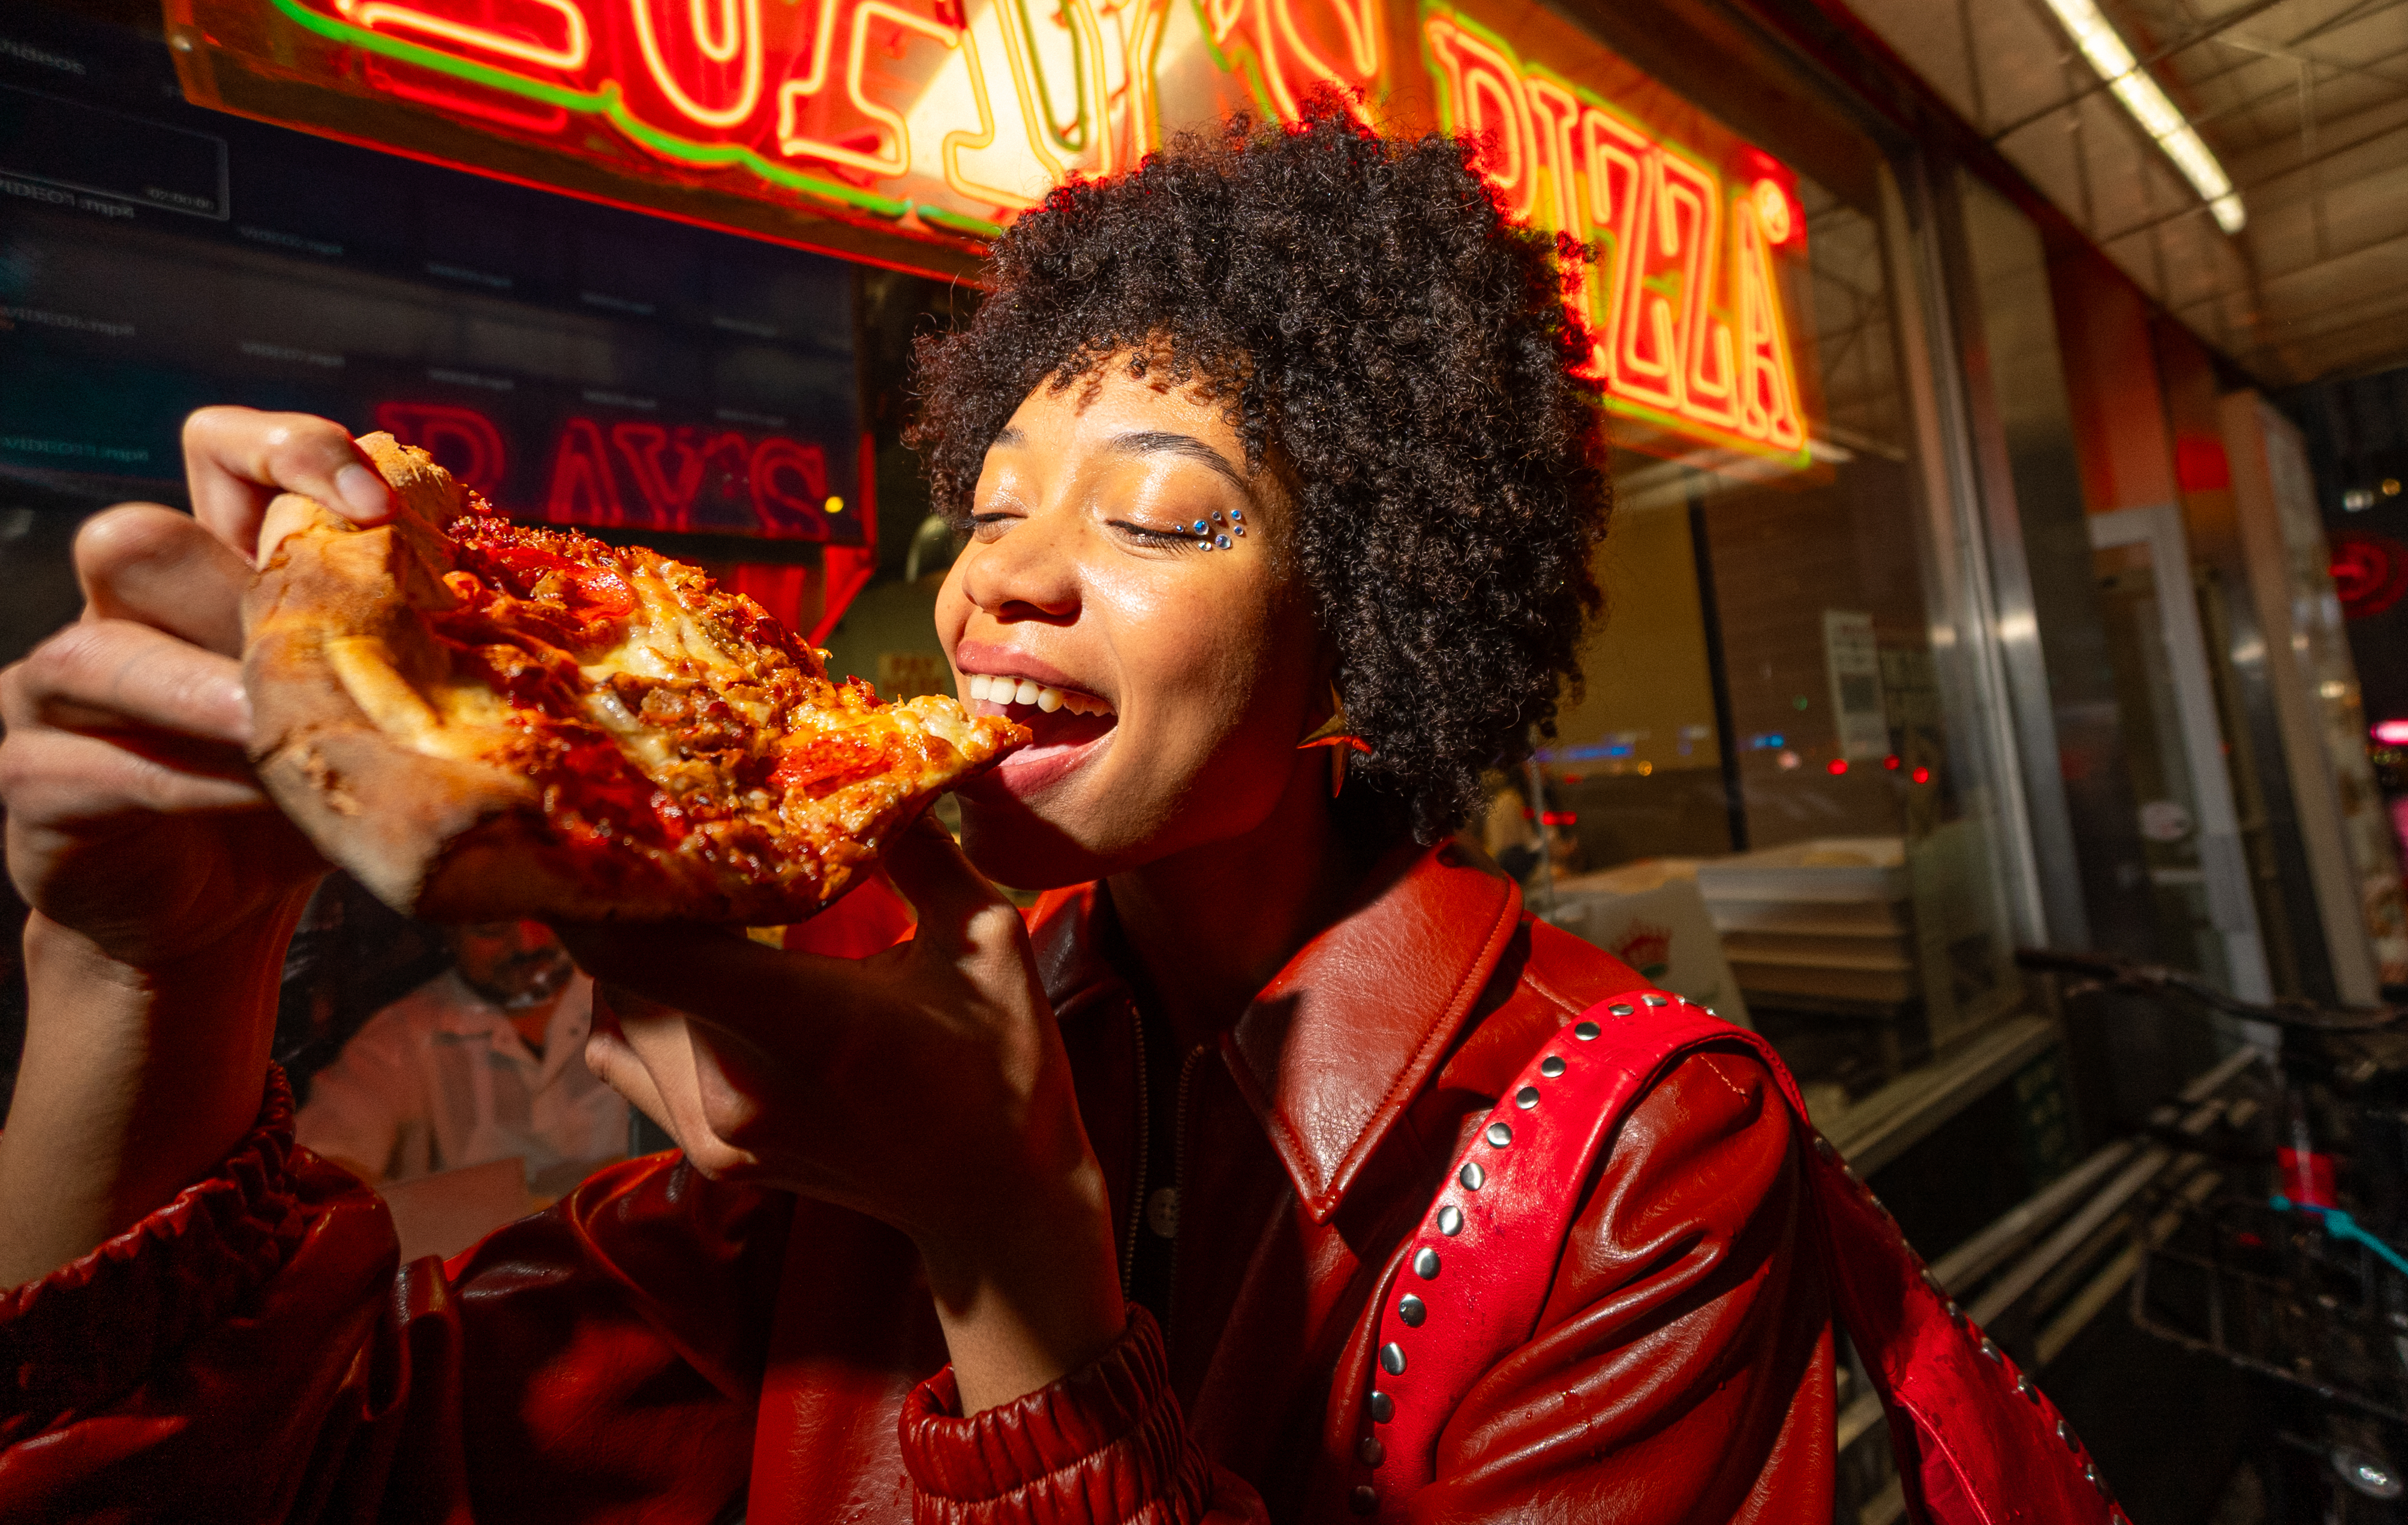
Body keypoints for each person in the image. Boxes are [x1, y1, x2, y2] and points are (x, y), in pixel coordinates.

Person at [0, 107, 2111, 1522]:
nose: (1000, 577)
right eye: (988, 514)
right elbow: (307, 1475)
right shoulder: (884, 1015)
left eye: (1165, 516)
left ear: (1368, 644)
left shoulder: (1644, 1148)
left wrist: (1005, 1254)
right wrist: (147, 969)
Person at [295, 918, 630, 1195]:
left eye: (542, 916)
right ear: (449, 932)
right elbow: (323, 1161)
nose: (528, 945)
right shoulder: (400, 1037)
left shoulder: (633, 1005)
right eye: (491, 928)